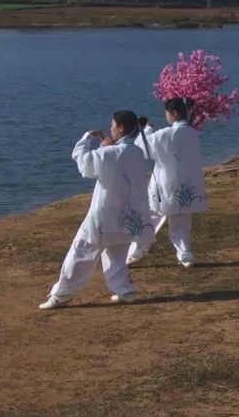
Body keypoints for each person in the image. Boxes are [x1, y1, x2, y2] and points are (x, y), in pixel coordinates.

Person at [39, 110, 153, 308]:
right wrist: (106, 148)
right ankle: (125, 290)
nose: (110, 128)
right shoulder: (136, 152)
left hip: (104, 213)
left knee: (80, 252)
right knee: (117, 254)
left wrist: (86, 138)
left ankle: (60, 294)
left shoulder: (109, 152)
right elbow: (115, 160)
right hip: (127, 215)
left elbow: (83, 163)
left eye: (113, 125)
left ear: (121, 128)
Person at [126, 98, 207, 268]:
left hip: (166, 183)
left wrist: (147, 128)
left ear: (174, 113)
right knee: (182, 222)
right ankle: (185, 254)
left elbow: (144, 149)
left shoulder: (167, 134)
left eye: (167, 113)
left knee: (149, 217)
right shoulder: (192, 133)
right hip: (188, 183)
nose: (166, 116)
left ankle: (137, 251)